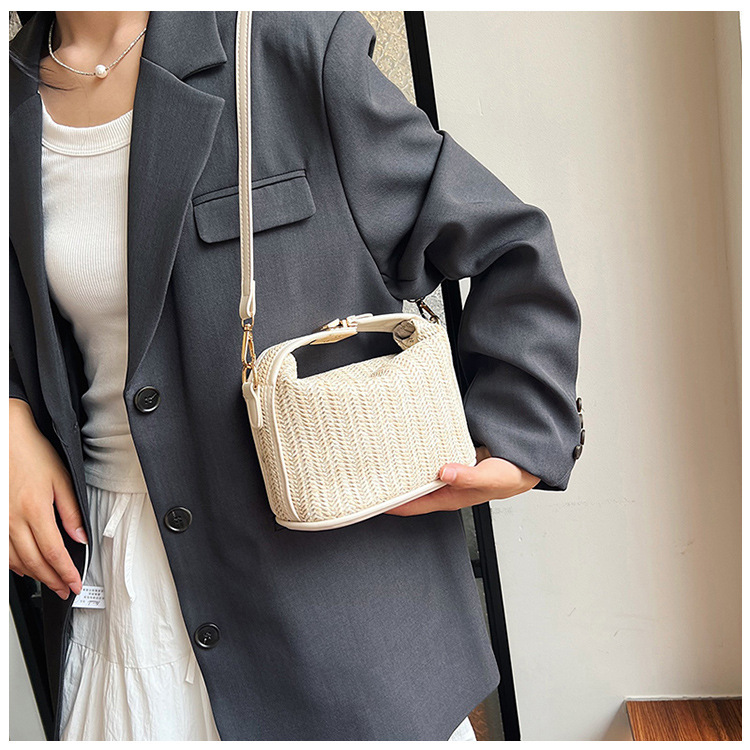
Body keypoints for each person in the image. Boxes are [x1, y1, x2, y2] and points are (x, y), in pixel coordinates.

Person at [9, 11, 583, 741]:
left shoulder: (284, 44)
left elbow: (505, 240)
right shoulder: (12, 98)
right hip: (118, 598)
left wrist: (520, 433)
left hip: (331, 616)